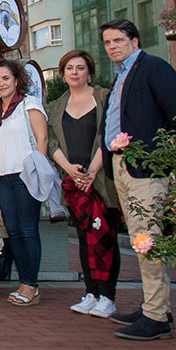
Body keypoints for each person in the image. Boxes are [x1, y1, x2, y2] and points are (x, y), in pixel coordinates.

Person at [99, 19, 176, 340]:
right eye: (107, 42)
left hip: (148, 169)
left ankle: (156, 316)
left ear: (135, 40)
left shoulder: (153, 68)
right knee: (141, 239)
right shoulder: (119, 77)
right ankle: (154, 306)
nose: (112, 46)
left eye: (118, 40)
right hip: (121, 167)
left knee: (147, 241)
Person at [47, 50, 119, 319]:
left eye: (80, 67)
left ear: (89, 71)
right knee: (84, 237)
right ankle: (91, 292)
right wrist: (70, 170)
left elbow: (109, 135)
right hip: (73, 183)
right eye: (69, 68)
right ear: (63, 73)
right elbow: (52, 143)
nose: (74, 73)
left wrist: (90, 171)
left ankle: (108, 295)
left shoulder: (103, 98)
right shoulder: (56, 106)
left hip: (99, 180)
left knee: (106, 237)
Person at [0, 59, 47, 306]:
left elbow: (42, 140)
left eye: (6, 78)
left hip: (25, 175)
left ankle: (30, 284)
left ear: (17, 80)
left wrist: (36, 172)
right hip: (1, 178)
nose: (1, 84)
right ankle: (25, 283)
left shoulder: (29, 105)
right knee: (15, 232)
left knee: (28, 230)